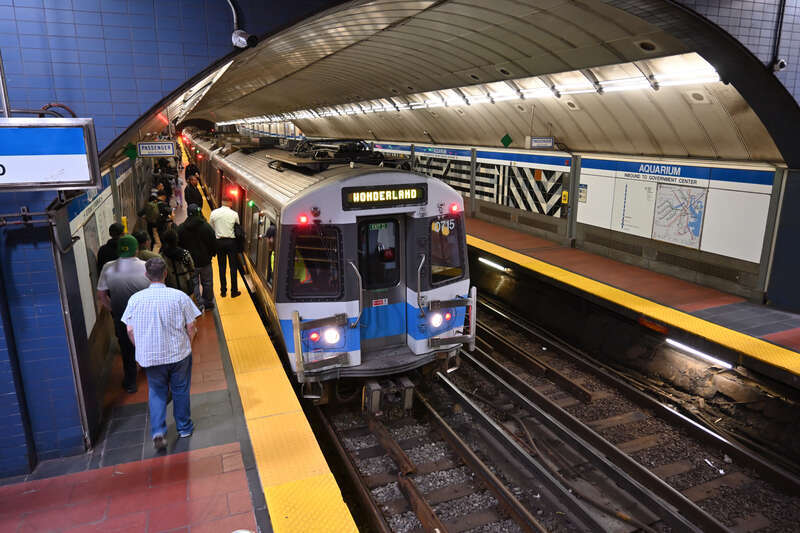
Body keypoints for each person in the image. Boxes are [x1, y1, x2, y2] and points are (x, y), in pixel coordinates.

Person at [122, 257, 200, 451]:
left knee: (156, 392)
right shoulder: (179, 296)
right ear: (165, 273)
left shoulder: (135, 299)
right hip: (178, 354)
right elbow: (191, 325)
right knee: (180, 389)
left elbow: (130, 330)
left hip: (151, 357)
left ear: (146, 275)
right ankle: (184, 428)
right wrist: (188, 344)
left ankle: (158, 432)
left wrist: (140, 348)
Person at [96, 234, 149, 393]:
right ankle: (148, 369)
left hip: (121, 317)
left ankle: (131, 382)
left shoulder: (108, 267)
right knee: (145, 342)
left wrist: (112, 309)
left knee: (126, 348)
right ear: (137, 249)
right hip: (144, 315)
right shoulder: (147, 266)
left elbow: (101, 295)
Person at [178, 204, 217, 311]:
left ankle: (197, 305)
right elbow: (213, 243)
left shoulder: (181, 228)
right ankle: (208, 303)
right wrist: (211, 254)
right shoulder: (206, 227)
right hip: (205, 261)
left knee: (194, 283)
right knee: (207, 282)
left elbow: (179, 244)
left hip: (189, 263)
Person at [209, 196, 241, 297]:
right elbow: (237, 227)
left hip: (219, 242)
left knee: (222, 267)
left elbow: (211, 227)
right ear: (230, 203)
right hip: (231, 242)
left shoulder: (214, 213)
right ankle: (234, 291)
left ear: (222, 202)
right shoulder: (234, 214)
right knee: (233, 267)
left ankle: (223, 291)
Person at [159, 229, 196, 295]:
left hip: (171, 285)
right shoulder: (185, 254)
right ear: (177, 239)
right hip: (185, 284)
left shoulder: (162, 255)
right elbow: (192, 269)